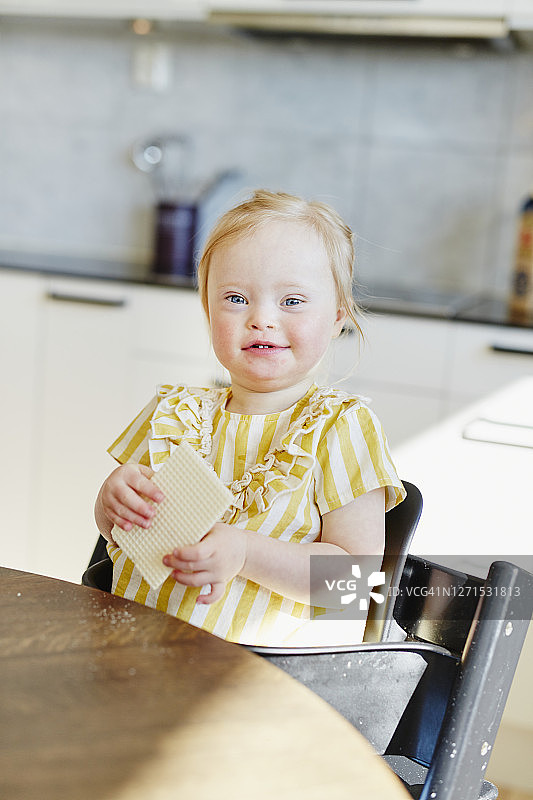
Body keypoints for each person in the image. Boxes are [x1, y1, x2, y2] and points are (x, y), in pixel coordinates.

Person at [94, 190, 405, 646]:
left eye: (293, 301)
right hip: (135, 653)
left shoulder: (340, 428)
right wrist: (110, 505)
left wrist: (243, 551)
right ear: (207, 309)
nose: (261, 319)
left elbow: (352, 581)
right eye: (236, 298)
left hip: (261, 682)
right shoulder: (171, 414)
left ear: (338, 316)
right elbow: (116, 536)